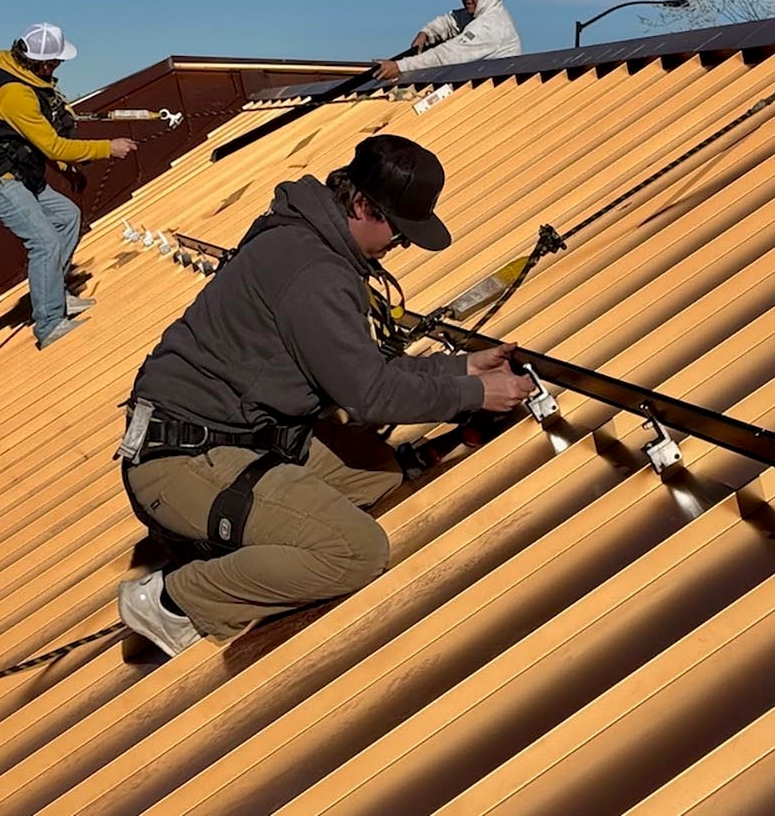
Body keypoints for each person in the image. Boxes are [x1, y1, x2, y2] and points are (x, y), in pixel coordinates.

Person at [115, 134, 537, 657]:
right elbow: (370, 395)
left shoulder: (307, 238)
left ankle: (238, 533)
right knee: (355, 551)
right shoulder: (315, 271)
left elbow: (363, 368)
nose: (397, 246)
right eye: (398, 232)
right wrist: (475, 393)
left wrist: (463, 366)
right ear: (361, 205)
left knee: (375, 470)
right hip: (182, 459)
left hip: (231, 438)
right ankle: (172, 601)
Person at [0, 22, 137, 349]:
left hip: (18, 172)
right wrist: (107, 148)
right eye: (55, 63)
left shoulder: (27, 81)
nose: (57, 69)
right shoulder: (13, 93)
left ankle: (57, 295)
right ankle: (50, 323)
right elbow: (52, 145)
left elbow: (38, 143)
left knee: (67, 217)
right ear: (42, 63)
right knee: (43, 240)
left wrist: (67, 170)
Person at [375, 0, 521, 81]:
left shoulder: (490, 27)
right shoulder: (480, 13)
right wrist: (426, 33)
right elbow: (452, 21)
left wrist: (401, 67)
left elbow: (447, 56)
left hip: (499, 92)